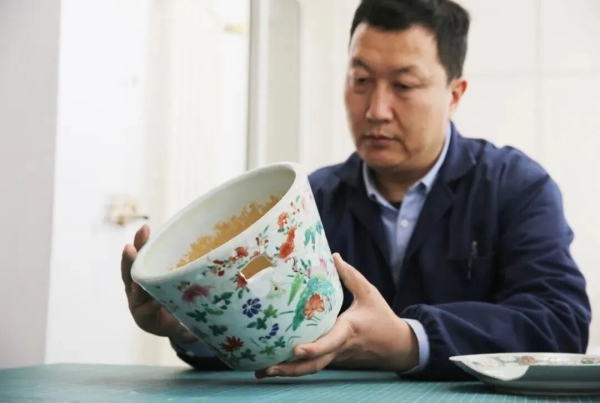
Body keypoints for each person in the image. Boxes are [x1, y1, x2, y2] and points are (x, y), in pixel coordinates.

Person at [121, 0, 592, 381]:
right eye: (361, 81)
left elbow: (559, 323)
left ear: (454, 94)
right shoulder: (309, 203)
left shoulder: (515, 186)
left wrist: (410, 341)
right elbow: (266, 329)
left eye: (404, 85)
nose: (376, 110)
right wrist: (195, 325)